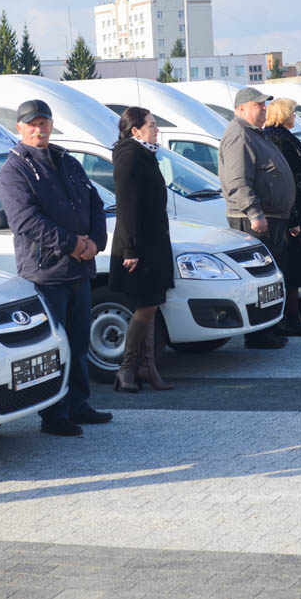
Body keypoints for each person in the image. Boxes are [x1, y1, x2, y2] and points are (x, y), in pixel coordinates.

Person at [0, 99, 111, 436]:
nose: (39, 129)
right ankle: (54, 414)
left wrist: (94, 241)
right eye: (32, 124)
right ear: (19, 128)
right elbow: (26, 221)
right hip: (46, 273)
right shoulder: (14, 171)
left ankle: (79, 404)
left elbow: (95, 202)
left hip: (79, 270)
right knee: (53, 347)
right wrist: (73, 244)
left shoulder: (67, 161)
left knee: (78, 342)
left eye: (44, 122)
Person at [218, 86, 296, 349]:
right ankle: (258, 334)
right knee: (259, 280)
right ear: (240, 109)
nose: (264, 108)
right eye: (258, 105)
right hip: (254, 221)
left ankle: (268, 329)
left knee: (270, 280)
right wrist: (254, 213)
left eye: (265, 105)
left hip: (272, 218)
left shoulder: (255, 134)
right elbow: (238, 182)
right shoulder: (239, 135)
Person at [110, 106, 175, 392]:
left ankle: (148, 368)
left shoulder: (146, 154)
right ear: (135, 130)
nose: (156, 128)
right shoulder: (130, 155)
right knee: (145, 306)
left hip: (154, 243)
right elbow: (125, 205)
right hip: (139, 247)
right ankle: (126, 369)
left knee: (151, 304)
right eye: (151, 124)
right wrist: (129, 249)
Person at [262, 98, 301, 335]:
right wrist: (294, 217)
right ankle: (289, 318)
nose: (295, 115)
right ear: (283, 113)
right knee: (291, 265)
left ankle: (293, 316)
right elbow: (282, 179)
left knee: (297, 265)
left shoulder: (285, 135)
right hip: (291, 210)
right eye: (293, 111)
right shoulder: (275, 138)